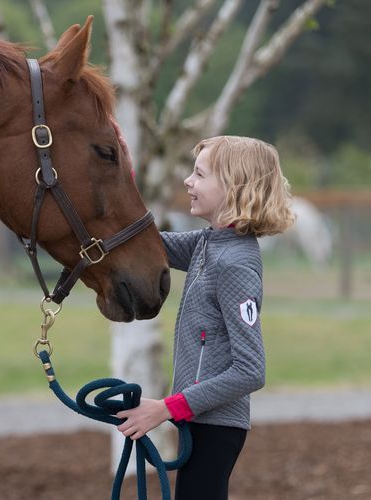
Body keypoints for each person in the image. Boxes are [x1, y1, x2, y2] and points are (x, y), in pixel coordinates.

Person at [113, 131, 295, 500]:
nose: (188, 181)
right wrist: (121, 174)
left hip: (216, 426)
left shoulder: (236, 264)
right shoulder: (209, 243)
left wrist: (166, 408)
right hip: (199, 420)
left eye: (199, 174)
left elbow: (250, 370)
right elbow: (144, 240)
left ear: (234, 186)